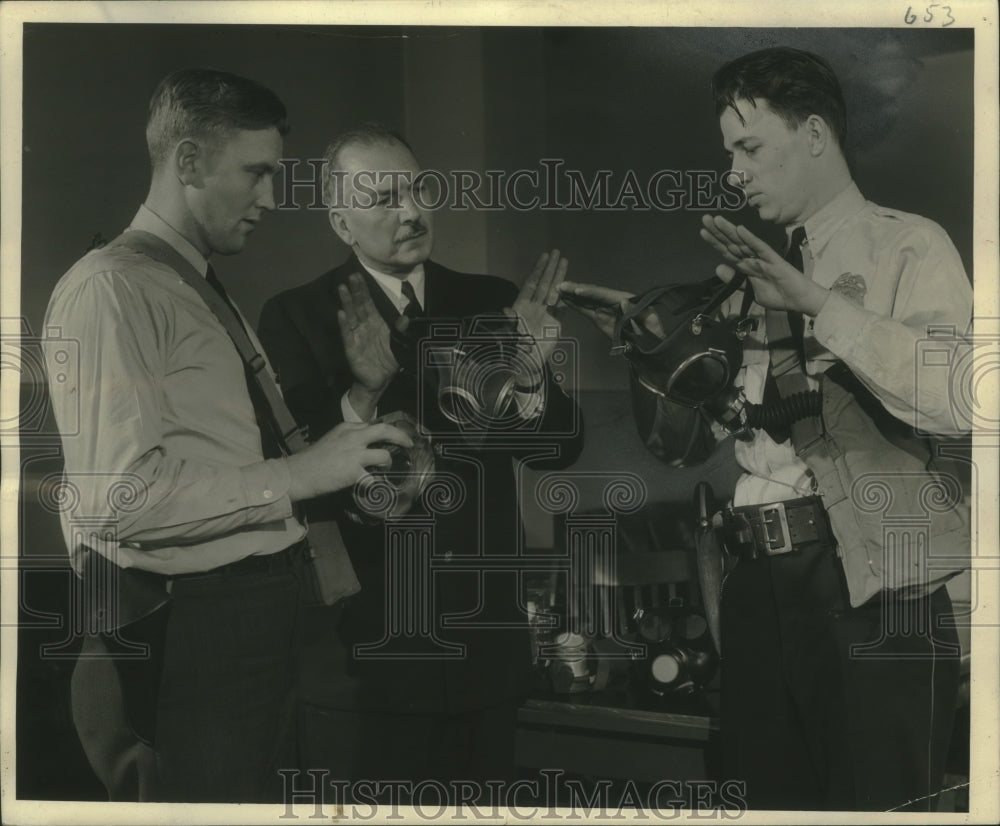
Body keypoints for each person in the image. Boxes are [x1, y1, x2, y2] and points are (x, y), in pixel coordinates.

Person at [560, 47, 971, 811]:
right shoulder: (752, 276)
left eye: (749, 148)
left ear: (814, 134)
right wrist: (651, 343)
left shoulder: (908, 245)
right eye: (728, 155)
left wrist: (815, 302)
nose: (735, 173)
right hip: (757, 586)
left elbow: (956, 397)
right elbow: (704, 442)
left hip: (876, 587)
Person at [42, 70, 411, 804]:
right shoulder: (112, 288)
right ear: (187, 162)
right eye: (257, 173)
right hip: (195, 630)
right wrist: (303, 474)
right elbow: (118, 496)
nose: (271, 199)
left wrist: (361, 407)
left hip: (251, 620)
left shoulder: (191, 285)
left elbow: (229, 458)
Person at [257, 123, 584, 803]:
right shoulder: (296, 316)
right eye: (382, 199)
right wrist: (362, 394)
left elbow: (560, 449)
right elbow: (290, 473)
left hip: (485, 656)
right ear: (341, 221)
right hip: (367, 658)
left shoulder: (493, 302)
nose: (410, 212)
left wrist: (526, 372)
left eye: (416, 190)